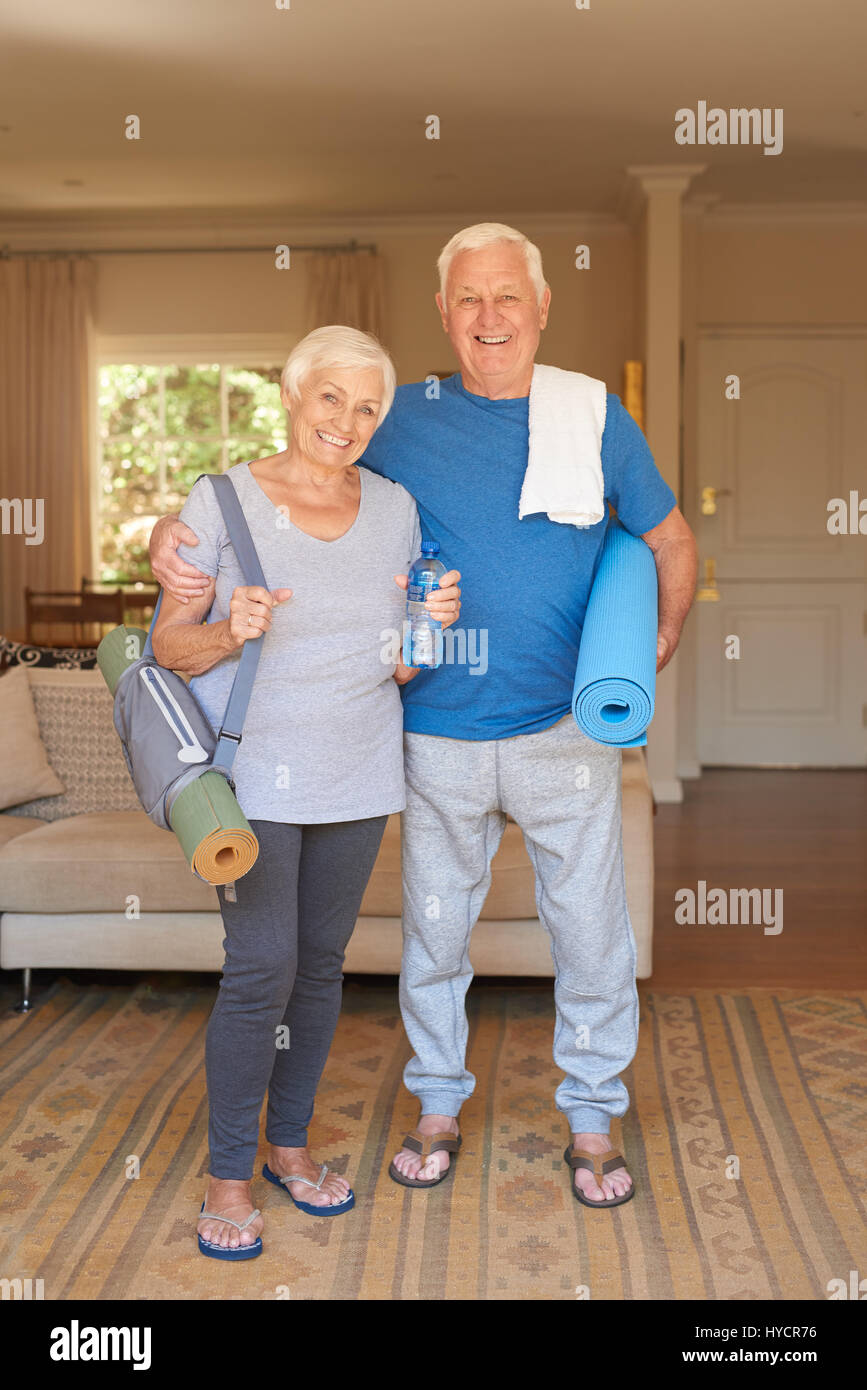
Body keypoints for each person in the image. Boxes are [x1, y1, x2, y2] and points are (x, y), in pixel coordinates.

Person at [150, 224, 698, 1211]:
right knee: (432, 943)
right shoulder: (396, 415)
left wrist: (648, 650)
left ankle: (592, 1116)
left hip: (561, 732)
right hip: (432, 738)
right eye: (469, 300)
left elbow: (668, 536)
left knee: (592, 937)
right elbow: (273, 481)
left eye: (508, 298)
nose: (490, 318)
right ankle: (435, 1109)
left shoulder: (594, 415)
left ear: (541, 308)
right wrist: (169, 537)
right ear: (445, 315)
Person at [150, 325, 461, 1257]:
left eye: (368, 407)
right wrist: (230, 630)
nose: (348, 421)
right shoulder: (220, 503)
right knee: (261, 969)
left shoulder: (398, 510)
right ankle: (228, 1178)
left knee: (321, 969)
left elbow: (402, 670)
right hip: (251, 781)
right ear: (291, 395)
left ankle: (290, 1148)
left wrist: (429, 629)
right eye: (331, 397)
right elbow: (170, 645)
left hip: (360, 774)